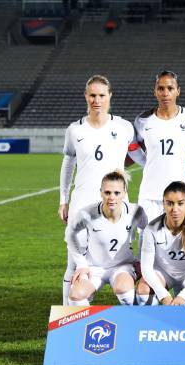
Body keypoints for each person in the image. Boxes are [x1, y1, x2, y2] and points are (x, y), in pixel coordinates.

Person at [58, 74, 136, 305]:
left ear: (110, 96)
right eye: (92, 95)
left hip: (116, 203)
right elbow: (68, 163)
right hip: (82, 201)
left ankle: (131, 305)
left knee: (119, 254)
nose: (97, 100)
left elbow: (139, 154)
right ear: (86, 96)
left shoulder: (124, 127)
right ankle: (68, 315)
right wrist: (63, 199)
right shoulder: (75, 130)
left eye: (102, 95)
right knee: (74, 262)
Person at [66, 170, 147, 306]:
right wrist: (81, 264)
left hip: (123, 266)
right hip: (93, 268)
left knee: (123, 289)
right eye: (107, 192)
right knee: (75, 296)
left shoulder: (136, 211)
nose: (112, 197)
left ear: (124, 193)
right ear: (101, 192)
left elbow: (148, 232)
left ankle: (134, 321)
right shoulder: (87, 213)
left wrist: (141, 260)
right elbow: (70, 233)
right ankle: (86, 325)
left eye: (117, 193)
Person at [132, 70, 185, 221]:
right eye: (161, 89)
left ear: (178, 91)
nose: (165, 93)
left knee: (183, 243)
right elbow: (132, 148)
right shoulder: (143, 121)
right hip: (150, 195)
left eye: (170, 88)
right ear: (155, 92)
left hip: (181, 195)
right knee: (147, 243)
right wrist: (147, 163)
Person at [136, 181, 185, 305]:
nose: (174, 209)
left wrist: (184, 295)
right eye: (170, 203)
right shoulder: (151, 229)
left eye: (180, 203)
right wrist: (163, 295)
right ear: (164, 204)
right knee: (143, 290)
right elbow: (146, 268)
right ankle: (150, 322)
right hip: (164, 273)